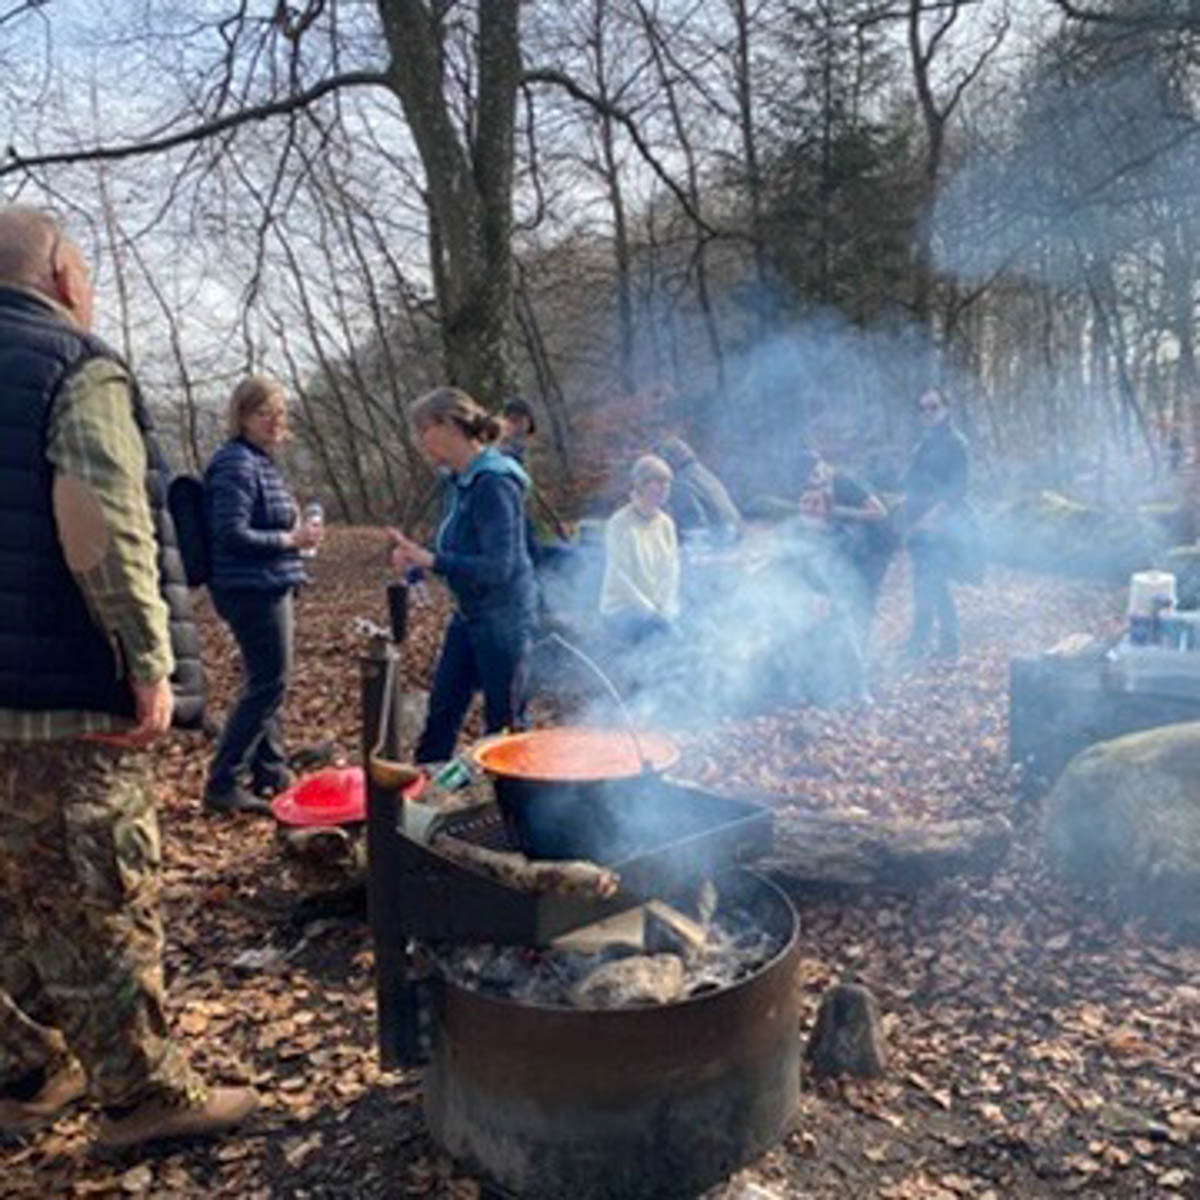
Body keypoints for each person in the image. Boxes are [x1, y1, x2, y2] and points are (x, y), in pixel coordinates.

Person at [0, 207, 257, 1148]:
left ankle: (29, 1071)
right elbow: (98, 517)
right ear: (64, 275)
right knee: (95, 897)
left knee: (12, 900)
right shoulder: (72, 363)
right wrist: (145, 664)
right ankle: (141, 1098)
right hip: (68, 699)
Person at [389, 387, 537, 763]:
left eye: (425, 429)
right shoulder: (458, 480)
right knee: (442, 711)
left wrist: (433, 560)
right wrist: (417, 559)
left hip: (505, 620)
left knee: (504, 729)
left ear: (452, 425)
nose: (420, 441)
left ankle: (517, 811)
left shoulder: (494, 483)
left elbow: (499, 567)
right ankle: (420, 800)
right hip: (469, 615)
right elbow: (455, 543)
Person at [203, 376, 322, 814]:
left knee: (267, 680)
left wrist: (299, 537)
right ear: (243, 416)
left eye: (280, 413)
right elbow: (229, 534)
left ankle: (270, 771)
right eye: (264, 412)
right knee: (269, 682)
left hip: (268, 582)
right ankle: (223, 781)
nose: (274, 421)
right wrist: (289, 541)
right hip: (249, 589)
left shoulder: (259, 461)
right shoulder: (236, 463)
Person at [795, 449, 896, 643]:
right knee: (845, 590)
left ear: (823, 465)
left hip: (878, 544)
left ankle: (861, 648)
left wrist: (840, 511)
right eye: (810, 478)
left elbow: (880, 512)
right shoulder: (817, 486)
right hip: (855, 544)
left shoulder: (845, 482)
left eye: (816, 474)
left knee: (865, 595)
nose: (814, 480)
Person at [902, 386, 971, 661]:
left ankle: (918, 645)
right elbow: (912, 485)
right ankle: (948, 642)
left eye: (933, 407)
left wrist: (933, 517)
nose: (928, 413)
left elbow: (959, 488)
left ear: (946, 409)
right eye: (923, 408)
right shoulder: (923, 445)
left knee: (928, 582)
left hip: (944, 527)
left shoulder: (956, 443)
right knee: (934, 583)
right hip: (921, 527)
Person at [599, 454, 681, 644]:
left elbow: (672, 570)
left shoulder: (666, 524)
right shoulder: (620, 523)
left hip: (658, 611)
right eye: (658, 482)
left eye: (667, 483)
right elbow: (619, 575)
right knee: (653, 640)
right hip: (624, 610)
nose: (664, 488)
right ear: (642, 485)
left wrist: (666, 608)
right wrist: (650, 612)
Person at [655, 435, 742, 545]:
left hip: (721, 546)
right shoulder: (701, 473)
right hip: (735, 537)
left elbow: (694, 530)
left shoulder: (681, 484)